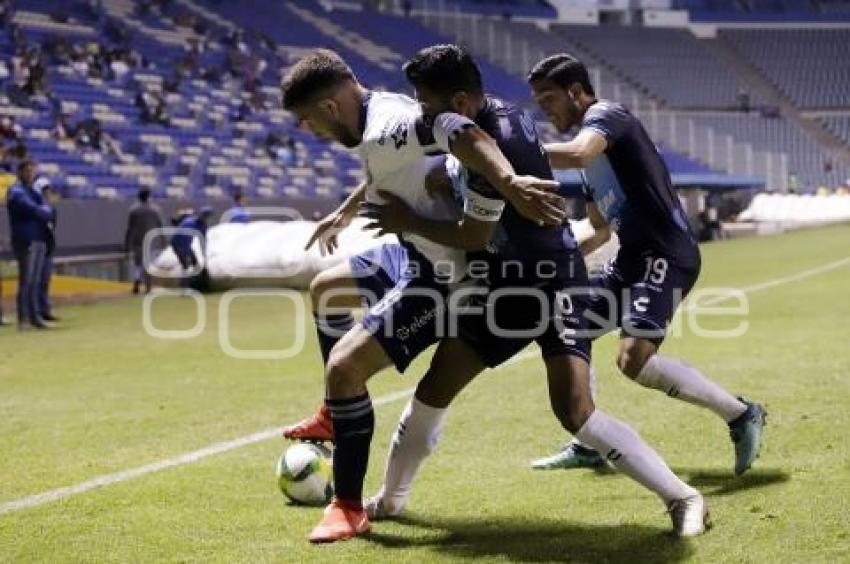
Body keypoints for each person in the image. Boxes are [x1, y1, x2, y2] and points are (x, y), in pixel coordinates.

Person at [285, 45, 708, 542]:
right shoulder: (485, 122)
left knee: (574, 410)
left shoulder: (494, 151)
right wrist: (359, 203)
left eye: (426, 105)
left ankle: (683, 497)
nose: (420, 114)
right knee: (433, 388)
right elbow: (408, 160)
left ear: (459, 103)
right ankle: (388, 501)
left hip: (550, 284)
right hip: (501, 289)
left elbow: (473, 236)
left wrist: (412, 217)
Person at [278, 48, 566, 543]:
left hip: (444, 276)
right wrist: (347, 211)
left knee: (345, 369)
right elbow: (385, 167)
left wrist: (511, 181)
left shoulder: (388, 122)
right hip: (410, 253)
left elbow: (463, 132)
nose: (307, 132)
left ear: (328, 108)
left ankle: (347, 506)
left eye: (307, 121)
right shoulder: (377, 114)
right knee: (325, 290)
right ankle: (333, 414)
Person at [525, 53, 765, 474]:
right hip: (631, 259)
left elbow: (580, 153)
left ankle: (741, 414)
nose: (544, 108)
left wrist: (516, 155)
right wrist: (562, 258)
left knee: (632, 359)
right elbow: (598, 228)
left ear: (577, 92)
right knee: (567, 321)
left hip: (667, 254)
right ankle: (590, 439)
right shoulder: (591, 167)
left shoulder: (608, 117)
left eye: (549, 98)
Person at [5, 160, 51, 330]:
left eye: (32, 171)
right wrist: (43, 211)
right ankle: (23, 318)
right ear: (20, 172)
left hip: (38, 238)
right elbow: (36, 210)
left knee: (35, 280)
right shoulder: (16, 192)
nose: (31, 175)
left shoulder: (32, 191)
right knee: (27, 280)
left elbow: (47, 208)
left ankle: (34, 316)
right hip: (25, 239)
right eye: (27, 171)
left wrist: (44, 211)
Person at [124, 188, 163, 294]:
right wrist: (164, 241)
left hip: (138, 240)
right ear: (149, 197)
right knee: (148, 264)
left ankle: (137, 280)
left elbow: (129, 229)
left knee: (138, 264)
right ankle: (148, 287)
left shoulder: (133, 210)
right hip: (151, 241)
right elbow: (160, 227)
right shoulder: (155, 210)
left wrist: (127, 245)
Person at [33, 176, 58, 321]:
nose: (47, 193)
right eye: (44, 191)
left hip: (48, 247)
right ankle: (36, 311)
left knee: (45, 281)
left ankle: (45, 309)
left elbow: (53, 227)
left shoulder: (51, 209)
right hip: (38, 246)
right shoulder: (35, 208)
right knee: (36, 280)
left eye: (48, 190)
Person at [170, 206, 213, 290]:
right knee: (185, 265)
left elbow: (203, 242)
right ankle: (185, 287)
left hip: (186, 244)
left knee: (195, 263)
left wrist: (204, 255)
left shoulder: (201, 225)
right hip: (178, 244)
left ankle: (196, 283)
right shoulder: (191, 221)